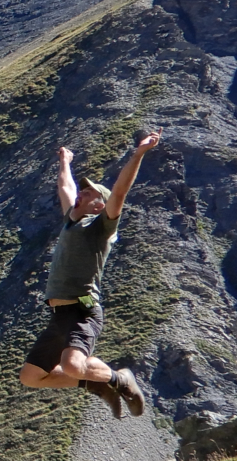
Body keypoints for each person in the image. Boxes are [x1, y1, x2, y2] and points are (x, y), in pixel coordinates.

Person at [17, 129, 160, 417]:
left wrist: (138, 154)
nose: (81, 192)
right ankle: (93, 383)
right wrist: (65, 162)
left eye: (90, 192)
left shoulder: (101, 227)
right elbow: (65, 188)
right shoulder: (72, 221)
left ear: (100, 205)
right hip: (60, 317)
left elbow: (120, 191)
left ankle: (120, 379)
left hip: (83, 311)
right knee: (30, 377)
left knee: (71, 365)